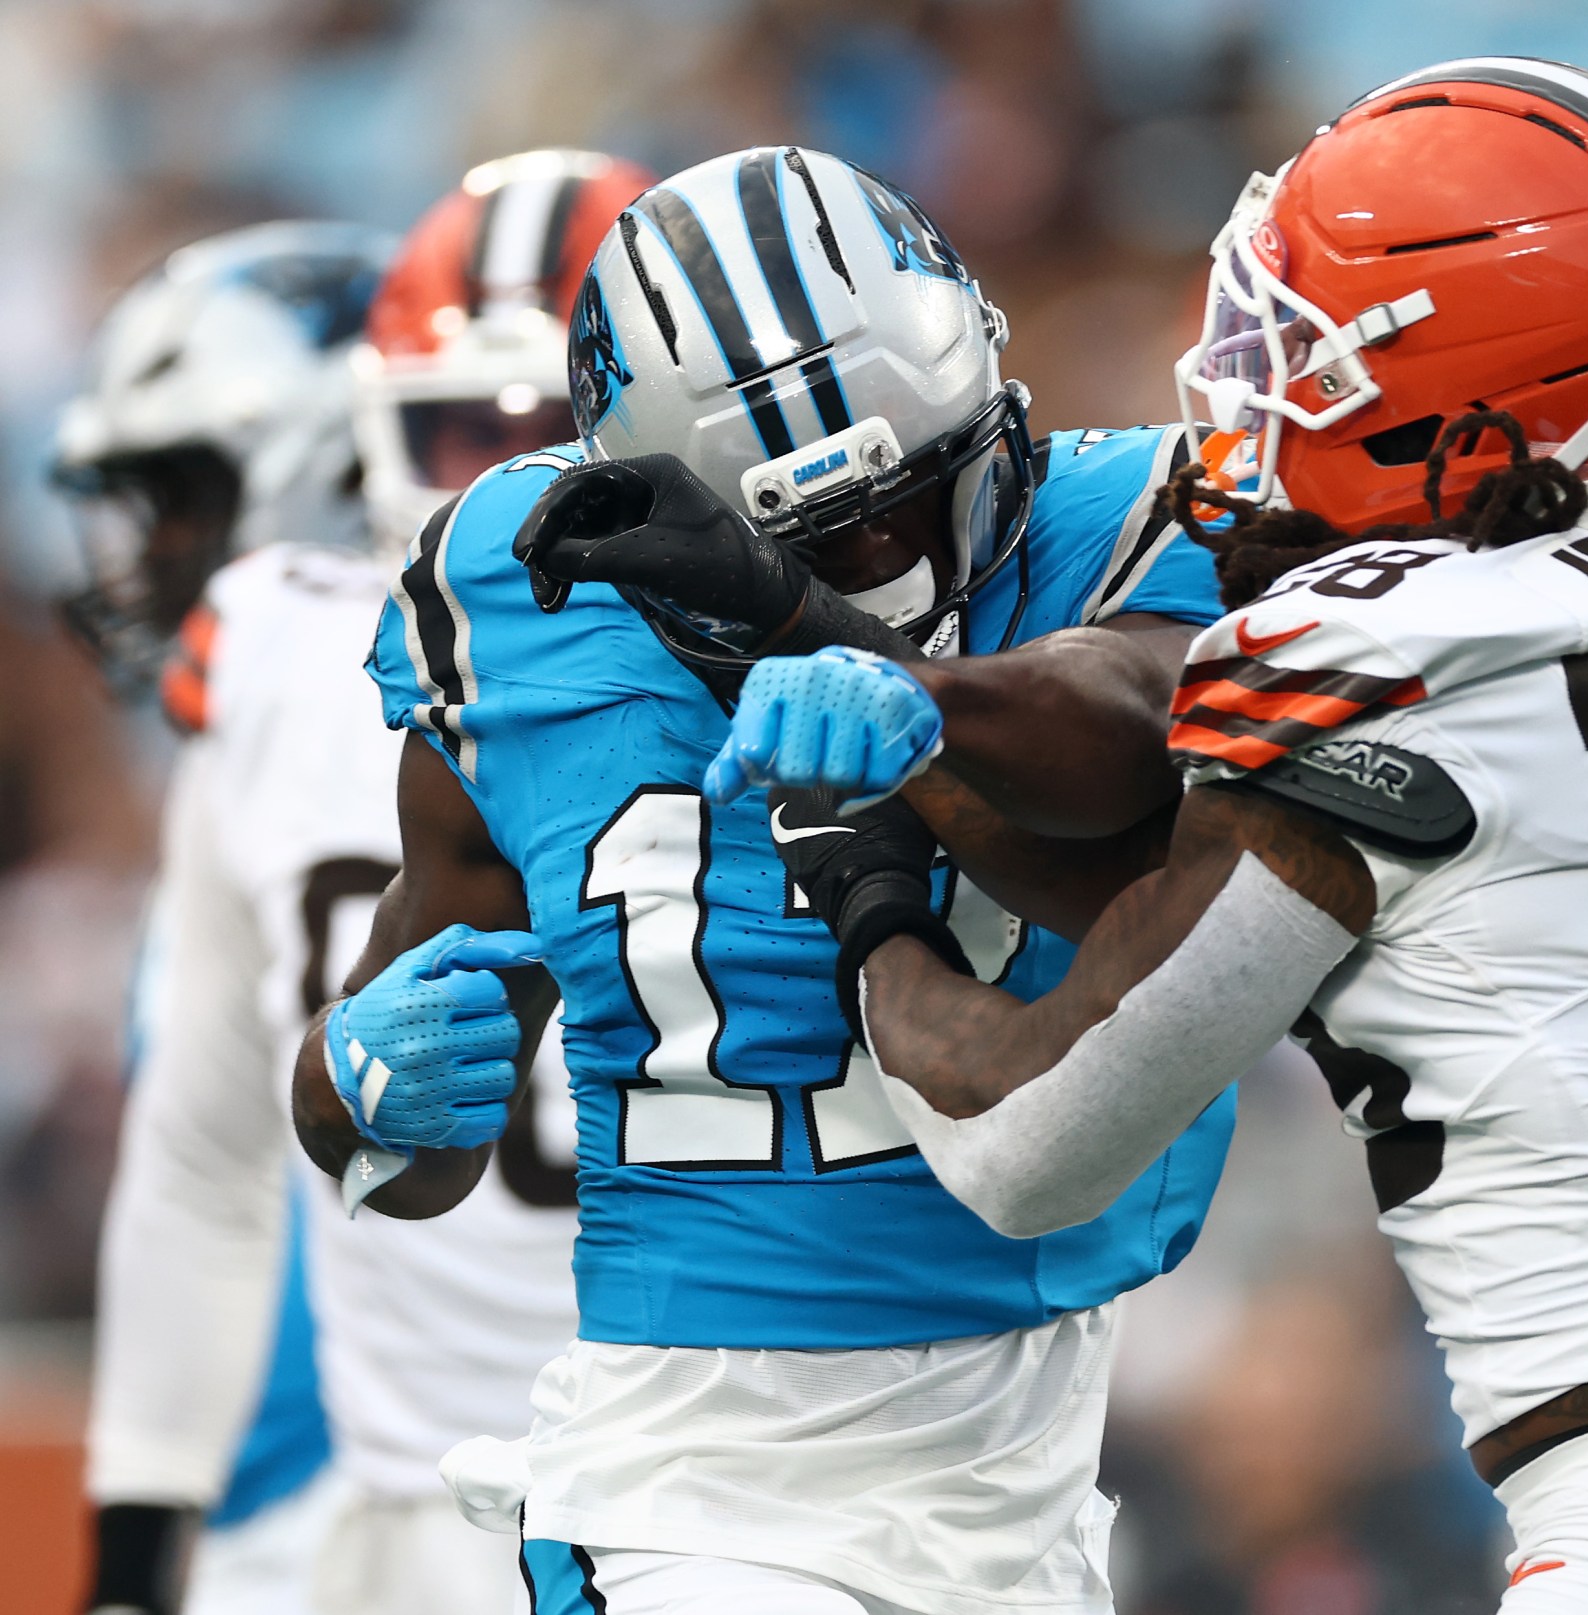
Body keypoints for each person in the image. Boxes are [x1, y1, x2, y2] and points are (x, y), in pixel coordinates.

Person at [707, 58, 1588, 1613]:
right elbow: (1190, 905)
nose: (1246, 375)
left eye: (1302, 341)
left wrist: (865, 888)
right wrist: (924, 742)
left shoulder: (1397, 656)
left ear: (1469, 405)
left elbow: (1028, 1143)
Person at [290, 146, 1238, 1615]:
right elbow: (407, 1118)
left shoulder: (1118, 525)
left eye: (921, 498)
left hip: (1031, 1466)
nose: (888, 562)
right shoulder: (520, 590)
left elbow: (1143, 762)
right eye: (817, 540)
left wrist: (865, 659)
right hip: (696, 1471)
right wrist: (360, 1083)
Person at [75, 151, 652, 1615]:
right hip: (390, 1487)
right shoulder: (271, 658)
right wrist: (139, 1542)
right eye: (463, 428)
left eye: (555, 431)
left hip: (700, 1473)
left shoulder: (793, 686)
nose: (509, 491)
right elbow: (203, 1155)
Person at [61, 219, 391, 1615]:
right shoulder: (239, 744)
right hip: (295, 1490)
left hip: (405, 1466)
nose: (158, 550)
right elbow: (195, 1171)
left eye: (187, 494)